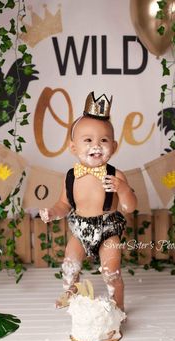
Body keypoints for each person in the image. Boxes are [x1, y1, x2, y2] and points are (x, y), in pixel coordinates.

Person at [39, 91, 137, 311]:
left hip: (108, 228)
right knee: (70, 264)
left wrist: (123, 189)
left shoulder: (116, 176)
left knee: (111, 270)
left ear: (114, 146)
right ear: (73, 148)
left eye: (103, 140)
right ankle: (71, 291)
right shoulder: (72, 176)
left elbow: (131, 206)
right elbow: (64, 204)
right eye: (88, 140)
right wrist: (53, 213)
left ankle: (117, 306)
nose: (96, 146)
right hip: (80, 227)